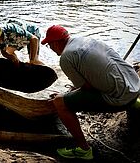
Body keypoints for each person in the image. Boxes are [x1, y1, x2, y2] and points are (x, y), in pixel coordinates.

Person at [41, 25, 140, 160]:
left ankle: (84, 150)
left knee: (60, 102)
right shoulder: (86, 40)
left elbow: (87, 88)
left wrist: (65, 96)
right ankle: (135, 103)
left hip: (120, 99)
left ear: (56, 42)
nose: (51, 49)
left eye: (49, 45)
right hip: (134, 87)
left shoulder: (66, 57)